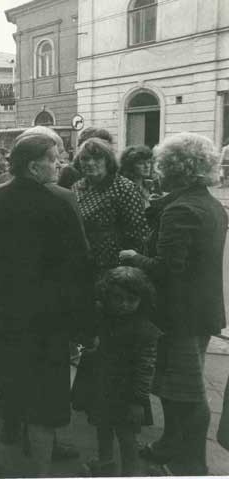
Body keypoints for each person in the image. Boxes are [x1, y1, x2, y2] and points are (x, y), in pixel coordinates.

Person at [0, 134, 94, 477]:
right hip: (45, 323)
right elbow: (79, 267)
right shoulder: (61, 202)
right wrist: (82, 324)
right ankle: (40, 472)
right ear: (33, 165)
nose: (59, 163)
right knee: (43, 405)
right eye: (54, 158)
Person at [119, 132, 227, 476]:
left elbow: (167, 269)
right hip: (200, 310)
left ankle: (191, 464)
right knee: (173, 385)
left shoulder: (180, 210)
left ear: (180, 169)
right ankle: (170, 444)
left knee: (188, 391)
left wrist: (134, 257)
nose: (156, 171)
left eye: (162, 165)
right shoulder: (209, 203)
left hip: (180, 314)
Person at [79, 266, 162, 476]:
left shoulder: (145, 331)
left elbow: (146, 369)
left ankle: (129, 473)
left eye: (131, 299)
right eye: (118, 298)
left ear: (142, 299)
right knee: (102, 428)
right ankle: (105, 465)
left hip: (128, 395)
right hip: (102, 387)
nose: (124, 304)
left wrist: (138, 401)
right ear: (107, 296)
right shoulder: (102, 318)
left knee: (127, 437)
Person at [72, 138, 149, 272]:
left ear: (107, 161)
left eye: (97, 158)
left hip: (112, 266)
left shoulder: (124, 188)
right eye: (85, 158)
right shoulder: (77, 187)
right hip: (81, 262)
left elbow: (138, 233)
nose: (90, 163)